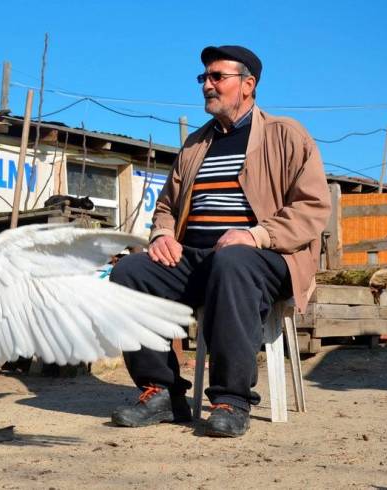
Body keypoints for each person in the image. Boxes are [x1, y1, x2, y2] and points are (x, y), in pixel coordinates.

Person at [110, 45, 331, 437]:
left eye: (217, 77)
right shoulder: (196, 144)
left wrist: (255, 234)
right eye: (204, 78)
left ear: (248, 85)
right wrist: (162, 234)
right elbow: (166, 205)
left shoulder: (286, 135)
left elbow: (313, 207)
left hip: (267, 256)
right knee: (129, 272)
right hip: (196, 257)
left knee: (234, 262)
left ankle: (231, 400)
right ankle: (160, 391)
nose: (207, 85)